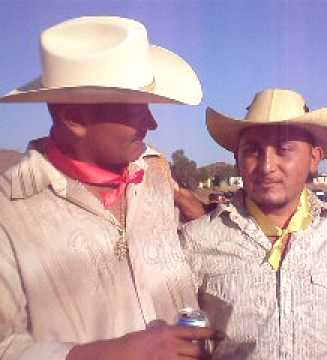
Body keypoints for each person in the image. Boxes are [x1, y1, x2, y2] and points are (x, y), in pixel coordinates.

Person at [0, 16, 213, 360]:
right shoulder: (10, 212)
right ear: (74, 119)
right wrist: (117, 352)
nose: (153, 122)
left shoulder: (156, 177)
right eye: (134, 110)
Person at [181, 88, 327, 359]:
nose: (267, 166)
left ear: (314, 158)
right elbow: (184, 341)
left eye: (283, 150)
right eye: (253, 151)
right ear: (237, 159)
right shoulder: (196, 239)